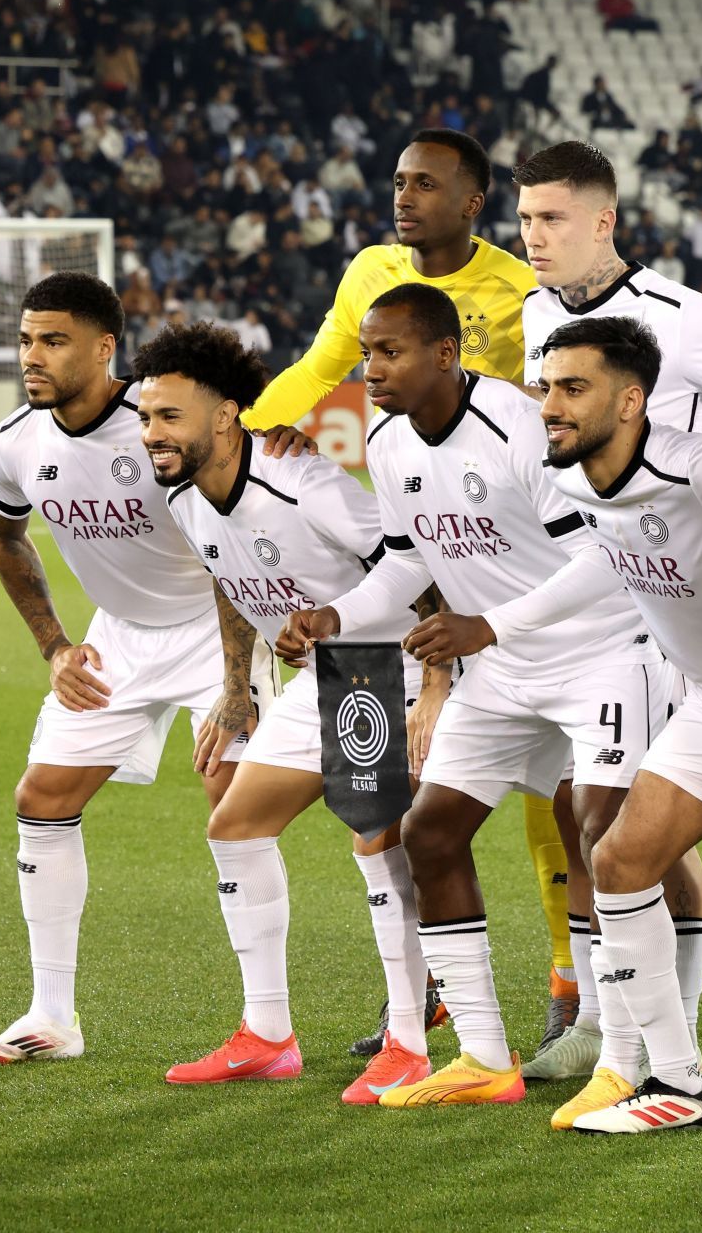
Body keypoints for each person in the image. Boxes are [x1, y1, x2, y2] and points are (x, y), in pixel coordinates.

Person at [404, 317, 702, 1148]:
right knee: (620, 860)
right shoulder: (581, 478)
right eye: (547, 385)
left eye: (572, 388)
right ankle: (676, 1079)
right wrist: (493, 624)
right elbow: (609, 553)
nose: (549, 405)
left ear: (630, 400)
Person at [279, 284, 686, 1117]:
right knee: (429, 831)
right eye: (366, 354)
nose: (372, 369)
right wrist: (337, 615)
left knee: (603, 833)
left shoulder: (519, 427)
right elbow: (403, 561)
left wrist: (487, 626)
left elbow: (602, 559)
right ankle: (484, 1056)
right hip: (500, 670)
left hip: (602, 654)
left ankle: (625, 1059)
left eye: (389, 352)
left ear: (444, 354)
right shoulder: (388, 443)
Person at [235, 129, 573, 1066]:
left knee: (567, 809)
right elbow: (319, 370)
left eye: (426, 183)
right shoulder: (370, 278)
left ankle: (568, 983)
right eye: (398, 182)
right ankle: (420, 996)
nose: (404, 196)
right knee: (390, 798)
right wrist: (256, 427)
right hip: (421, 537)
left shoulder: (520, 292)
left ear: (474, 203)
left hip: (511, 559)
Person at [0, 274, 284, 1066]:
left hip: (219, 621)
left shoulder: (160, 423)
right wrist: (55, 646)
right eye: (27, 340)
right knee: (42, 796)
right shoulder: (16, 440)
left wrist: (235, 683)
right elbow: (6, 537)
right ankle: (51, 1016)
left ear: (105, 349)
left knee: (230, 800)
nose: (32, 357)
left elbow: (230, 545)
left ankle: (270, 1028)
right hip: (120, 638)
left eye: (54, 340)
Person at [139, 322, 427, 1106]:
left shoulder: (303, 479)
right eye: (144, 417)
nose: (152, 432)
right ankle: (268, 1035)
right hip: (322, 674)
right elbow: (228, 580)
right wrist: (238, 691)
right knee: (234, 825)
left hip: (384, 665)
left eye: (169, 415)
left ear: (227, 415)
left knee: (376, 841)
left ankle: (410, 1040)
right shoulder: (183, 493)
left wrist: (434, 683)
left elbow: (416, 565)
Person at [515, 141, 702, 434]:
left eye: (551, 219)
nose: (532, 238)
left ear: (602, 224)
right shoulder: (536, 305)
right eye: (525, 219)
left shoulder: (682, 316)